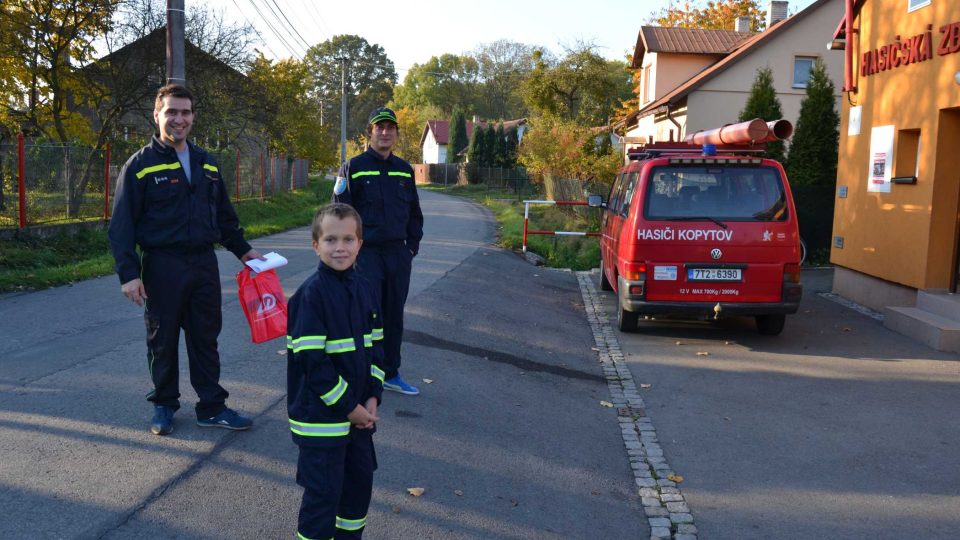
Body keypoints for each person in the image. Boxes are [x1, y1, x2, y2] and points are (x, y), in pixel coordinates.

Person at [108, 84, 262, 436]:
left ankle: (212, 406)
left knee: (205, 338)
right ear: (157, 115)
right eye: (172, 112)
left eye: (186, 112)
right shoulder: (140, 166)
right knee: (162, 339)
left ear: (193, 117)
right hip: (162, 265)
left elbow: (224, 217)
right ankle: (164, 404)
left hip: (204, 264)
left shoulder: (207, 162)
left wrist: (245, 251)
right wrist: (129, 274)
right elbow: (121, 227)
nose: (179, 119)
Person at [287, 203, 384, 539]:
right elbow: (313, 365)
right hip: (321, 423)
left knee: (357, 493)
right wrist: (351, 408)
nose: (339, 247)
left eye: (347, 239)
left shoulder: (366, 288)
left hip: (358, 418)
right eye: (330, 240)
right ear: (316, 245)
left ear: (360, 243)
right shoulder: (310, 296)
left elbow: (377, 347)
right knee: (323, 499)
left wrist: (373, 394)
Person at [334, 106, 424, 396]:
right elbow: (340, 213)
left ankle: (390, 373)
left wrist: (411, 247)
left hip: (398, 255)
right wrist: (349, 253)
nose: (385, 132)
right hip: (367, 255)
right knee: (365, 314)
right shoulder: (353, 167)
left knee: (393, 315)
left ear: (396, 133)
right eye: (379, 127)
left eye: (390, 128)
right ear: (370, 132)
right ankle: (358, 373)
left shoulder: (404, 169)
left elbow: (414, 213)